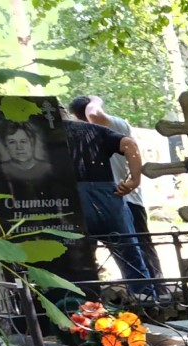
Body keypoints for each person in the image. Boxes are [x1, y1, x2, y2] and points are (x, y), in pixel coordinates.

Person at [64, 94, 155, 294]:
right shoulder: (96, 130)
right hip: (109, 195)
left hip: (72, 199)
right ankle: (147, 299)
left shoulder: (47, 136)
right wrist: (134, 180)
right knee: (130, 254)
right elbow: (129, 144)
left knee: (80, 260)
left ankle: (87, 304)